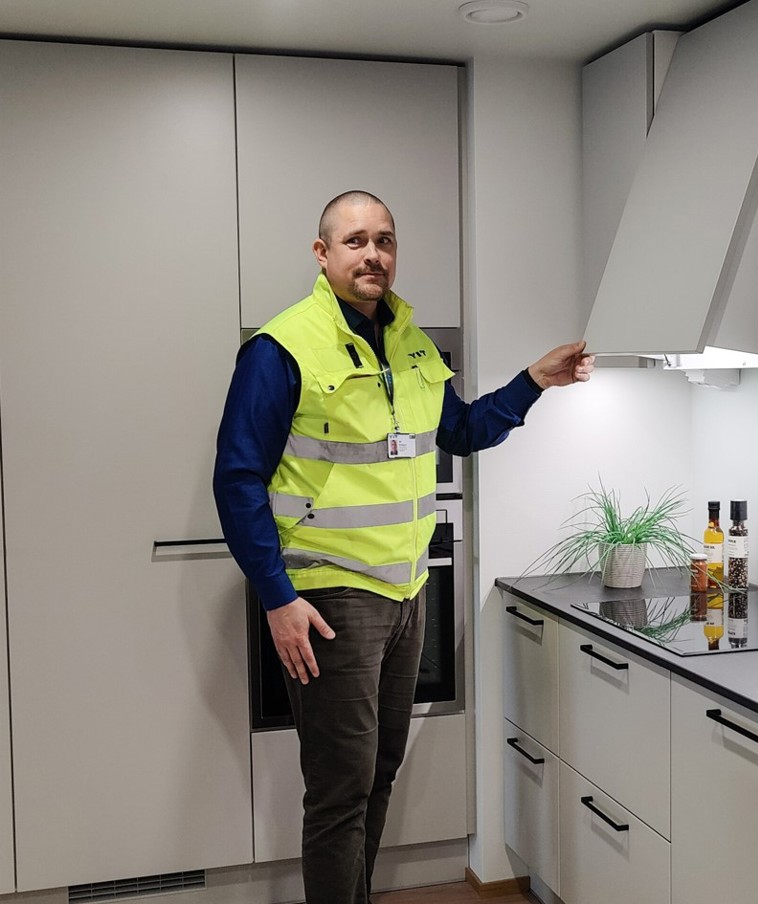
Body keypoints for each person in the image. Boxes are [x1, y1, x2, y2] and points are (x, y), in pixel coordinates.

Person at [213, 190, 594, 904]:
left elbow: (462, 431)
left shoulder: (411, 342)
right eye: (355, 240)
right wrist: (277, 597)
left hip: (406, 592)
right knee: (339, 790)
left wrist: (533, 382)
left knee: (378, 772)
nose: (373, 254)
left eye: (384, 240)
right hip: (328, 599)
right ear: (322, 253)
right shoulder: (281, 347)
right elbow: (237, 481)